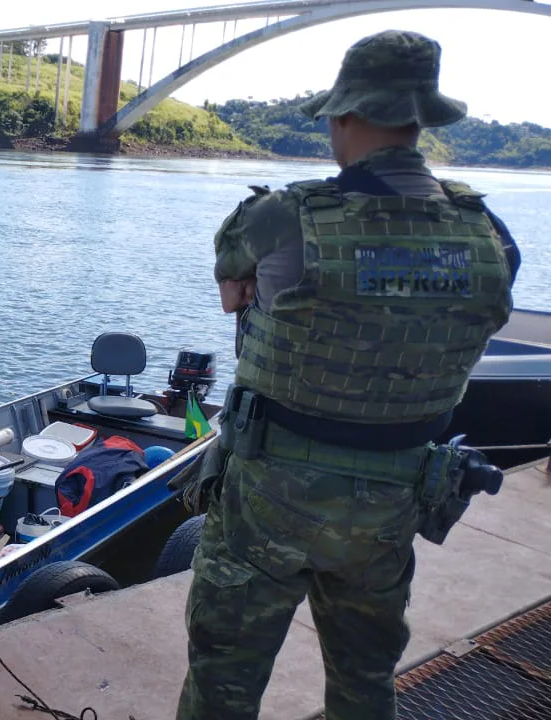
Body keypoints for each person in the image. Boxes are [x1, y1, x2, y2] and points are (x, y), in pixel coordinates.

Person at [178, 30, 519, 720]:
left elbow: (231, 295)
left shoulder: (283, 217)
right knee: (366, 683)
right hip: (393, 499)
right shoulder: (489, 234)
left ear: (344, 116)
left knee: (223, 684)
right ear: (420, 121)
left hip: (269, 496)